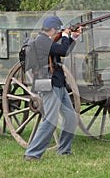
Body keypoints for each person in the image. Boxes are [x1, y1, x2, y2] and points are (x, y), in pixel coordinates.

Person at [24, 16, 82, 160]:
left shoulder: (48, 41)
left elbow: (64, 51)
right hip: (48, 83)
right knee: (50, 120)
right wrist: (66, 35)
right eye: (57, 29)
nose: (57, 31)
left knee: (70, 118)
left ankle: (64, 151)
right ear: (52, 29)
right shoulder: (42, 41)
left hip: (58, 83)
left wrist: (73, 37)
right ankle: (32, 153)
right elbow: (62, 50)